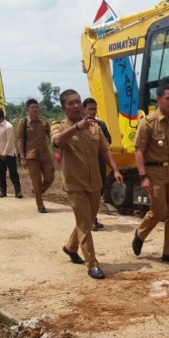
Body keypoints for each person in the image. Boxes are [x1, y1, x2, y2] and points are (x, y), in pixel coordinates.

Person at [51, 89, 123, 280]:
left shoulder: (94, 127)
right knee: (86, 223)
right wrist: (76, 128)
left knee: (87, 219)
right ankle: (92, 264)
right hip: (75, 184)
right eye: (71, 103)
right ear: (64, 107)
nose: (76, 106)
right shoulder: (58, 127)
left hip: (95, 183)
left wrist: (115, 170)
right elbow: (57, 141)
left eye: (78, 102)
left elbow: (105, 151)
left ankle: (70, 247)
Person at [132, 83, 169, 264]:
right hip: (154, 171)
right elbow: (139, 151)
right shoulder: (147, 122)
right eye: (168, 98)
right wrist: (143, 177)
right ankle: (140, 233)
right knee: (158, 211)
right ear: (158, 99)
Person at [16, 99, 55, 213]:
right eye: (32, 107)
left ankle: (37, 191)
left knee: (50, 177)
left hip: (44, 154)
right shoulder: (23, 123)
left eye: (36, 107)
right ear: (28, 109)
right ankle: (40, 205)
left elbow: (51, 135)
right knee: (36, 181)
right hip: (31, 156)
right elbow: (20, 141)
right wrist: (22, 158)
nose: (34, 109)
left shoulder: (44, 121)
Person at [82, 97, 112, 230]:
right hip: (84, 164)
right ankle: (91, 219)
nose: (92, 112)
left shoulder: (101, 124)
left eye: (94, 109)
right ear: (84, 110)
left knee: (99, 190)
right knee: (89, 191)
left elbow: (108, 140)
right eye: (90, 109)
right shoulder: (78, 125)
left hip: (99, 162)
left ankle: (92, 217)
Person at [0, 108, 22, 199]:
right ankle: (3, 191)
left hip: (9, 154)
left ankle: (18, 191)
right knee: (1, 173)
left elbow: (10, 141)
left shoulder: (8, 126)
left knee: (13, 173)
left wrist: (4, 153)